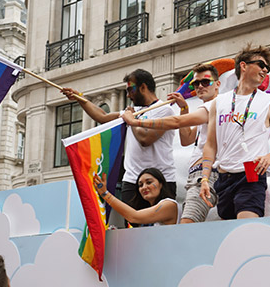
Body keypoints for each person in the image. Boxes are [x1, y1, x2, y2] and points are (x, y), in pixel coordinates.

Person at [62, 69, 175, 211]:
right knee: (132, 228)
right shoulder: (132, 112)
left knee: (160, 228)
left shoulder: (164, 110)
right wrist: (79, 98)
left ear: (143, 87)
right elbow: (102, 117)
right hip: (132, 180)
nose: (128, 95)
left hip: (161, 180)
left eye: (130, 90)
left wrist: (131, 120)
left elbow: (145, 139)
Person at [199, 44, 270, 219]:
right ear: (243, 65)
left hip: (252, 175)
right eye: (261, 65)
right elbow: (210, 145)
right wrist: (204, 179)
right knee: (231, 231)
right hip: (224, 177)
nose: (265, 70)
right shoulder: (219, 102)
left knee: (246, 226)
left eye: (267, 68)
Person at [121, 63, 221, 223]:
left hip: (209, 172)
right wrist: (184, 109)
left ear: (217, 84)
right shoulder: (208, 110)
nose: (200, 86)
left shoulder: (216, 105)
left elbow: (175, 122)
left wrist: (135, 122)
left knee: (186, 224)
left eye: (205, 82)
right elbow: (186, 139)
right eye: (196, 83)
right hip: (201, 174)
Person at [94, 168, 180, 226]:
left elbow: (134, 217)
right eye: (140, 185)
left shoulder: (169, 204)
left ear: (161, 184)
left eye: (149, 182)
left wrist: (105, 194)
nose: (144, 187)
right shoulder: (148, 210)